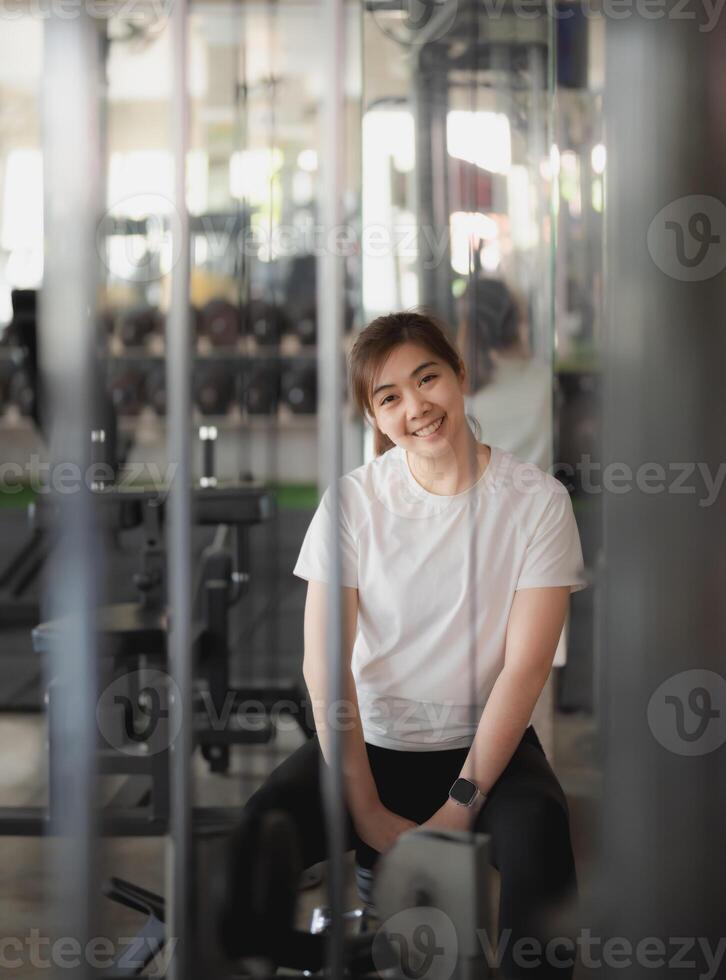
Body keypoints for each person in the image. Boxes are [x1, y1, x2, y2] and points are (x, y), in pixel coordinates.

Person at [228, 311, 587, 979]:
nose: (416, 407)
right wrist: (363, 807)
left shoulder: (537, 502)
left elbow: (527, 666)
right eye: (389, 397)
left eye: (427, 379)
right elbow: (323, 665)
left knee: (540, 841)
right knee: (252, 839)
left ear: (459, 376)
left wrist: (462, 803)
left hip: (487, 750)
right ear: (374, 415)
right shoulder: (354, 502)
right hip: (370, 744)